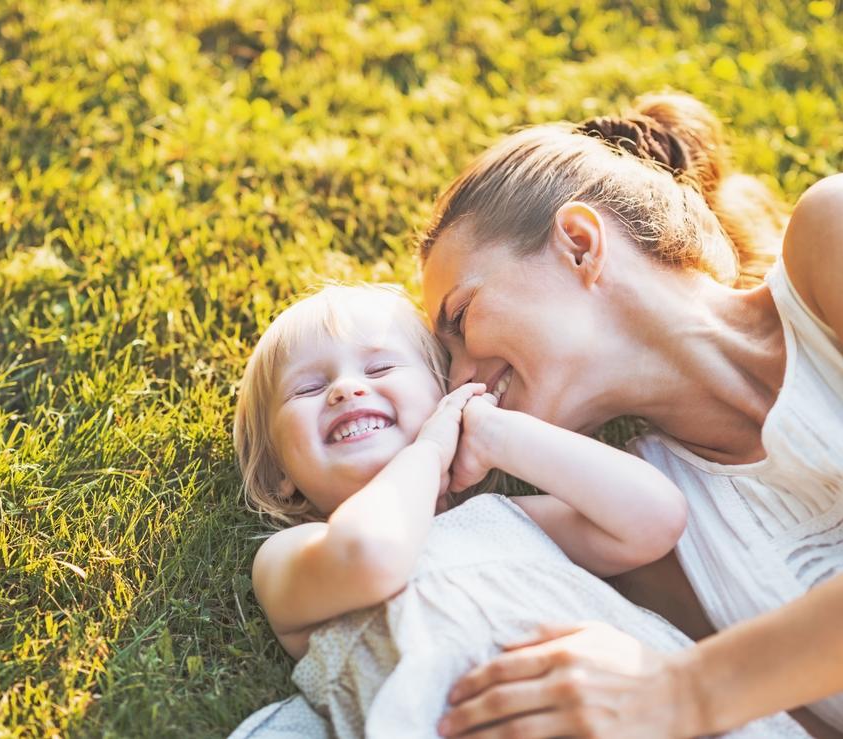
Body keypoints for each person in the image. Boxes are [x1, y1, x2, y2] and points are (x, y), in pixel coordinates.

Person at [419, 92, 843, 739]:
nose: (458, 378)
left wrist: (686, 689)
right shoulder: (649, 538)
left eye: (460, 317)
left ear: (579, 243)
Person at [227, 284, 806, 738]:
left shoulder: (507, 519)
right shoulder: (293, 555)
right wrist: (430, 450)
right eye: (307, 389)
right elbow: (374, 554)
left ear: (442, 397)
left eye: (379, 370)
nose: (346, 391)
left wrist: (497, 434)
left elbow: (654, 517)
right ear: (283, 478)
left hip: (630, 708)